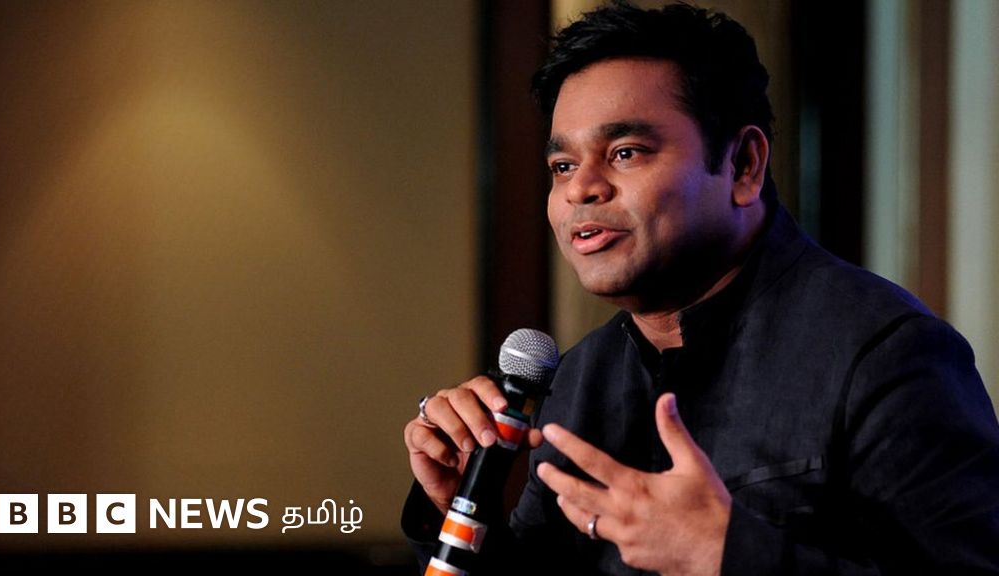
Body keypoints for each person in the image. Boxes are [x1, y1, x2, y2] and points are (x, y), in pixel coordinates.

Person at [401, 2, 999, 574]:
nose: (581, 189)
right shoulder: (580, 379)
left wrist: (728, 554)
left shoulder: (884, 354)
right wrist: (465, 505)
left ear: (743, 165)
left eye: (625, 152)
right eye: (562, 166)